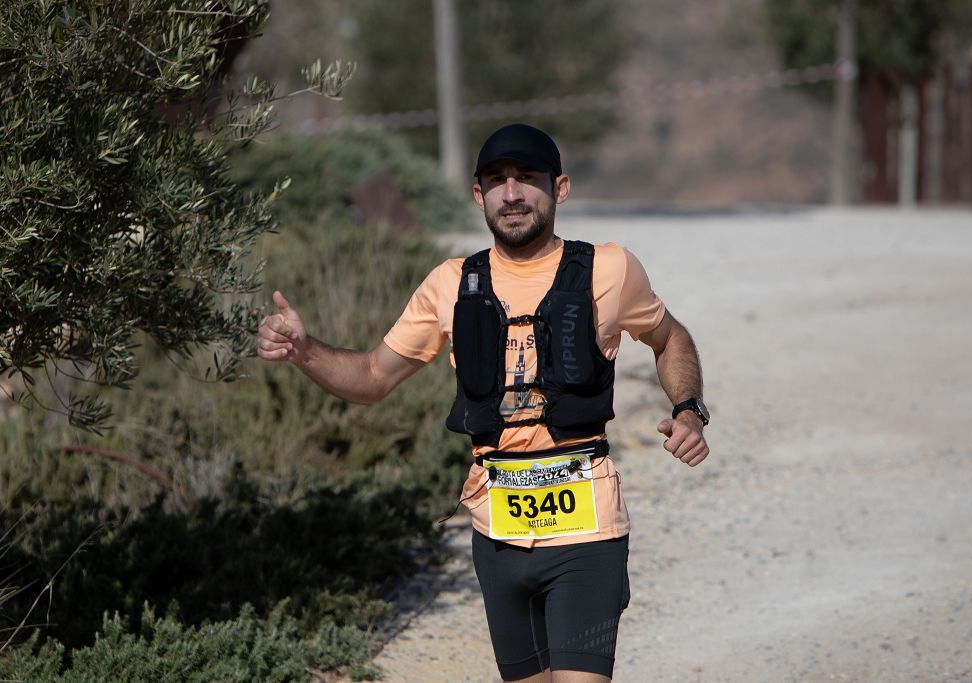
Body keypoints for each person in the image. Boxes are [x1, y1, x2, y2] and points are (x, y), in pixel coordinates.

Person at [257, 123, 710, 683]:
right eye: (496, 181)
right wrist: (305, 351)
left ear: (560, 188)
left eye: (527, 179)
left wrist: (690, 408)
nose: (512, 193)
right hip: (495, 531)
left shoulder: (609, 268)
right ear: (479, 196)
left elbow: (671, 338)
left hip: (586, 530)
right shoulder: (450, 283)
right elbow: (374, 376)